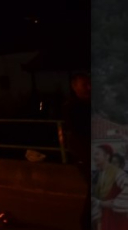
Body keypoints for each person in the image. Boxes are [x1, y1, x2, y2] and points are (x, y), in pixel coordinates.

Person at [63, 73, 92, 230]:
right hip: (86, 156)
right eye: (85, 84)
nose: (89, 88)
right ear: (75, 87)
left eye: (90, 84)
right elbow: (84, 133)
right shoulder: (73, 107)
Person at [92, 144, 128, 229]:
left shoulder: (117, 172)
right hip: (104, 217)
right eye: (94, 154)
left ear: (107, 156)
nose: (94, 157)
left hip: (117, 219)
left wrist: (115, 203)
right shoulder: (100, 173)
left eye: (97, 154)